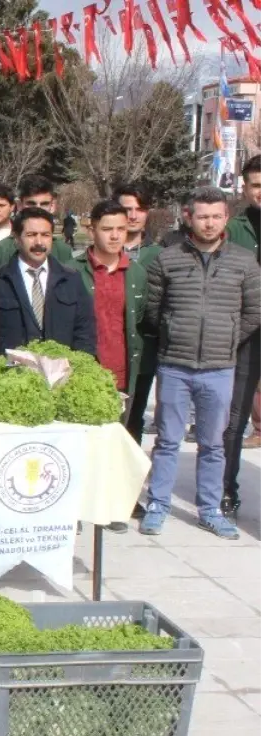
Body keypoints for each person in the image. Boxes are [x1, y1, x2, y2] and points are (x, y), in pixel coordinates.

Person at [141, 187, 261, 539]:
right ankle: (159, 505)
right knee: (167, 440)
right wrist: (173, 332)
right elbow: (153, 309)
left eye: (216, 216)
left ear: (226, 218)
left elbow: (254, 310)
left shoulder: (243, 262)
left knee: (214, 444)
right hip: (175, 365)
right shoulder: (168, 259)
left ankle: (210, 509)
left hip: (220, 367)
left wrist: (228, 335)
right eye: (202, 216)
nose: (209, 223)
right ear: (189, 217)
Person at [67, 199, 148, 532]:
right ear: (92, 230)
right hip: (85, 369)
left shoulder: (137, 273)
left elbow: (146, 322)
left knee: (117, 440)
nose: (116, 236)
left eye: (121, 229)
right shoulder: (73, 270)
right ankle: (72, 507)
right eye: (107, 229)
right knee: (79, 440)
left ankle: (115, 504)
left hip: (123, 370)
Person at [0, 207, 96, 355]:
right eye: (31, 235)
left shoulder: (71, 279)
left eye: (45, 235)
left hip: (62, 373)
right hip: (12, 373)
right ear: (16, 238)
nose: (39, 242)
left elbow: (85, 331)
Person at [113, 184, 164, 470]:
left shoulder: (159, 255)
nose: (133, 215)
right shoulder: (100, 252)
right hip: (106, 352)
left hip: (142, 354)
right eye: (126, 208)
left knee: (133, 420)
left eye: (139, 209)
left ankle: (128, 487)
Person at [222, 157, 261, 519]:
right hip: (248, 336)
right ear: (245, 188)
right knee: (235, 417)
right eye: (256, 185)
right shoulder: (234, 230)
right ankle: (226, 488)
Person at [0, 176, 74, 267]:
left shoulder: (63, 251)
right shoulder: (1, 250)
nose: (38, 209)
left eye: (44, 204)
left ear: (52, 206)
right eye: (31, 204)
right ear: (20, 205)